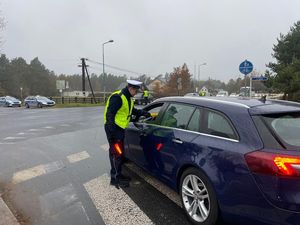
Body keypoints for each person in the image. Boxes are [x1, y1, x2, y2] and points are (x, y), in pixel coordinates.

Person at [104, 80, 150, 188]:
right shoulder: (118, 97)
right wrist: (112, 134)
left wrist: (144, 112)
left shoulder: (128, 98)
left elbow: (131, 110)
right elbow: (109, 115)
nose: (136, 93)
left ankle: (118, 175)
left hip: (120, 129)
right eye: (136, 91)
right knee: (116, 154)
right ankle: (115, 179)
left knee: (119, 154)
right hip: (114, 129)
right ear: (130, 88)